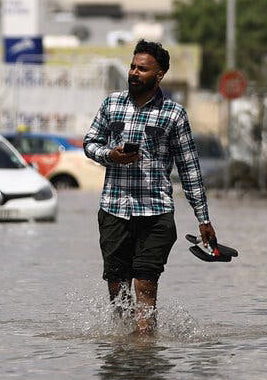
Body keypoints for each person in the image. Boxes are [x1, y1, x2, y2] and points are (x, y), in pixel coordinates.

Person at [84, 40, 217, 335]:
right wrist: (111, 155)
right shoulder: (111, 104)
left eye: (142, 69)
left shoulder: (174, 115)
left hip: (156, 214)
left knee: (146, 286)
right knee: (118, 294)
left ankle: (144, 356)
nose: (134, 73)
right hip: (114, 210)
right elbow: (90, 143)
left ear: (159, 75)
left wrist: (203, 218)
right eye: (132, 66)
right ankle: (121, 354)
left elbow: (189, 168)